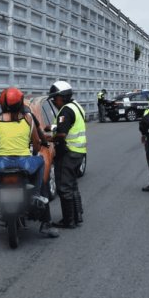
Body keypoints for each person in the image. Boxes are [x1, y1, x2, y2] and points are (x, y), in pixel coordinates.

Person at [0, 88, 58, 239]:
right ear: (20, 103)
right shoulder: (29, 118)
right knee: (41, 161)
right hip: (25, 163)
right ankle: (41, 211)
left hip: (2, 164)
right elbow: (36, 145)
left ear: (3, 104)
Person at [46, 81, 87, 228]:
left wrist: (49, 138)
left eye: (54, 98)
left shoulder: (65, 111)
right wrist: (52, 127)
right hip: (79, 152)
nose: (53, 101)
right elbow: (68, 125)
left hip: (68, 153)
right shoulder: (76, 106)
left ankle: (69, 220)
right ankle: (78, 215)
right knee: (72, 185)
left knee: (64, 187)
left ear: (61, 97)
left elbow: (62, 134)